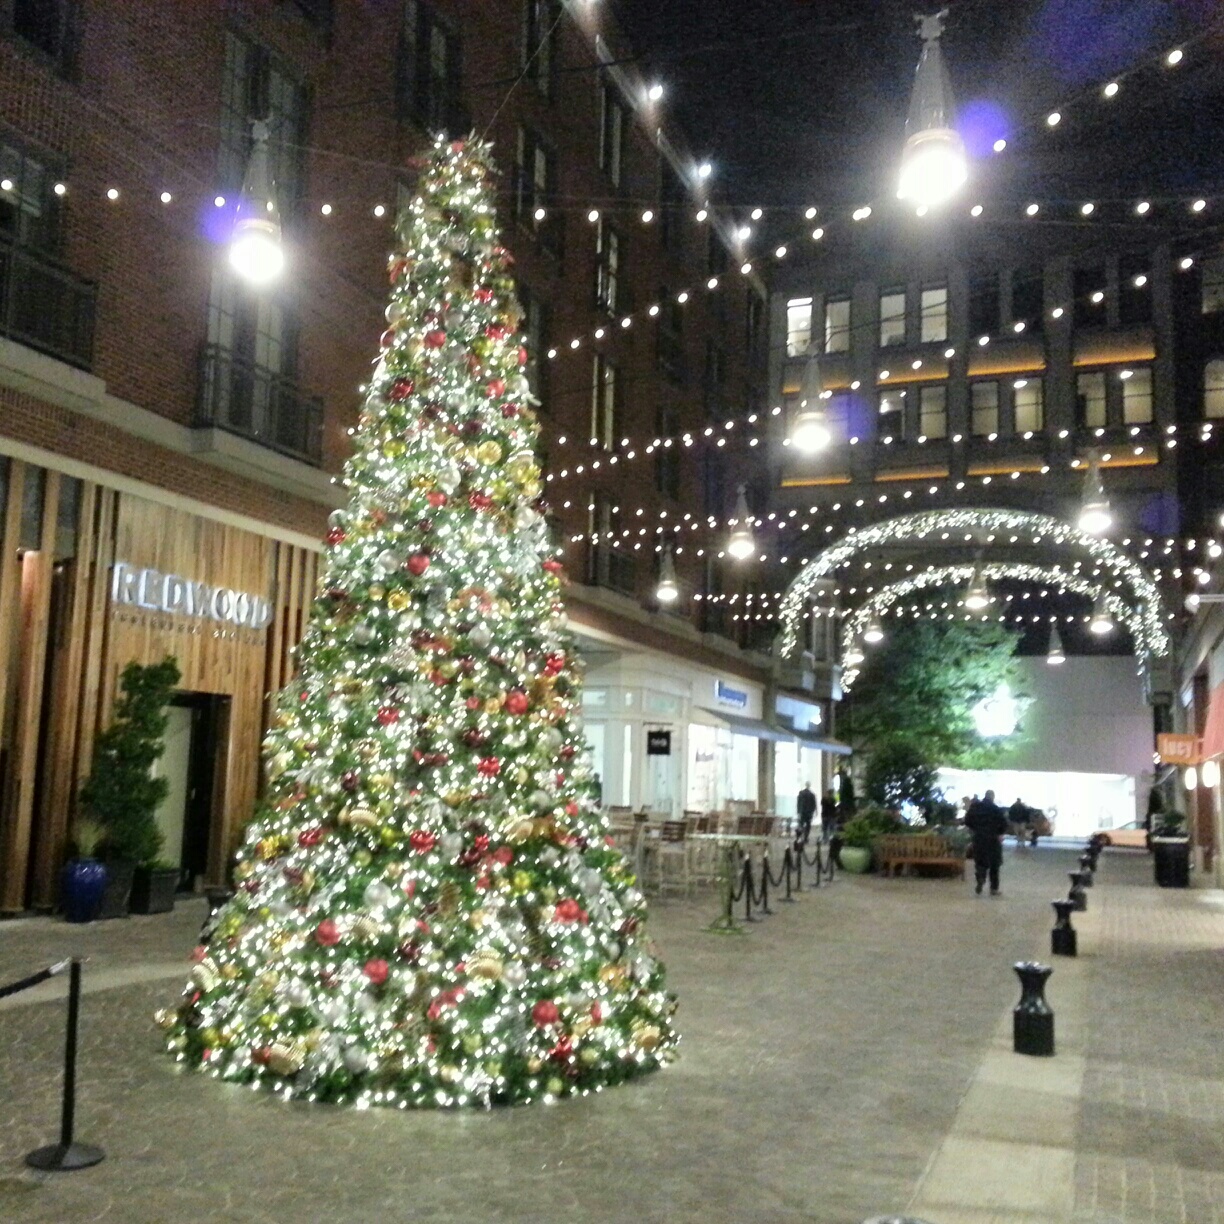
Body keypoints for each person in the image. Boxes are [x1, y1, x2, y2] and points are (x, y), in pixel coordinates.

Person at [965, 789, 1008, 896]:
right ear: (992, 797)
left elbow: (967, 821)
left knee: (980, 861)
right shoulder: (996, 809)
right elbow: (1004, 824)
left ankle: (980, 877)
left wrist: (975, 829)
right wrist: (999, 832)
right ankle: (994, 888)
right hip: (993, 838)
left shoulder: (975, 807)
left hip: (979, 837)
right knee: (995, 863)